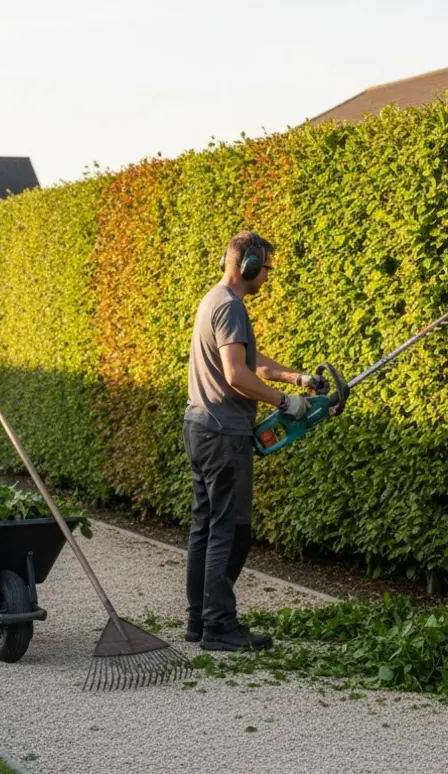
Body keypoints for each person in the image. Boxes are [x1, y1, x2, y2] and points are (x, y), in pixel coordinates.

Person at [183, 231, 327, 651]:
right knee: (229, 531)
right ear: (246, 265)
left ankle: (198, 621)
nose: (268, 276)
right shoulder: (230, 307)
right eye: (266, 268)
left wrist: (297, 379)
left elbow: (249, 360)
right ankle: (219, 627)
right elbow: (236, 375)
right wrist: (287, 403)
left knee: (204, 528)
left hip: (200, 424)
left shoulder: (215, 300)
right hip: (223, 431)